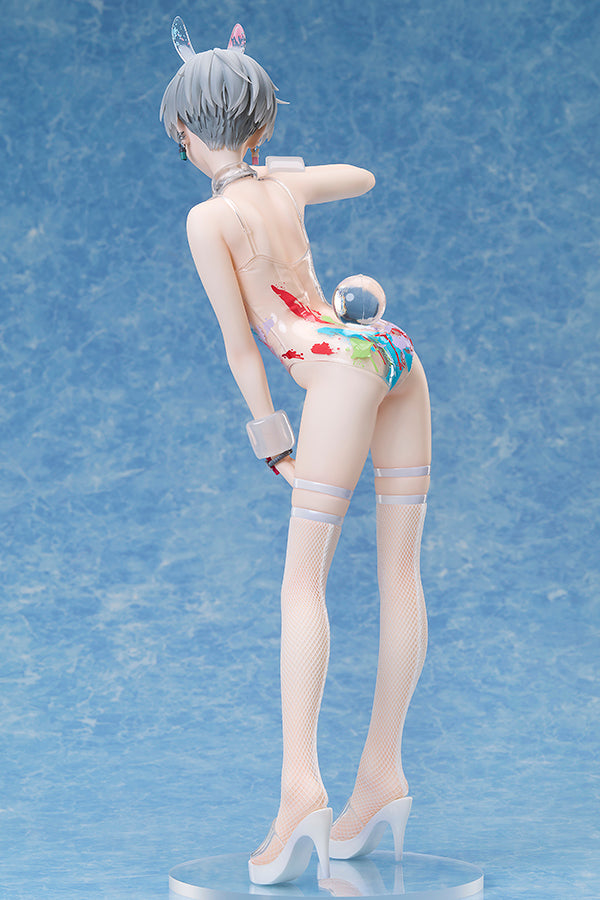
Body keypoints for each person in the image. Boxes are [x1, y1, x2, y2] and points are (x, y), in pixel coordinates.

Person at [160, 19, 432, 886]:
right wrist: (277, 166)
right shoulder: (285, 186)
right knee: (400, 572)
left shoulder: (210, 219)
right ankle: (381, 778)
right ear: (262, 122)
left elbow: (242, 347)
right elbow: (362, 176)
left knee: (303, 584)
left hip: (332, 371)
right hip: (390, 349)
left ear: (184, 130)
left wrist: (271, 437)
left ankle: (300, 792)